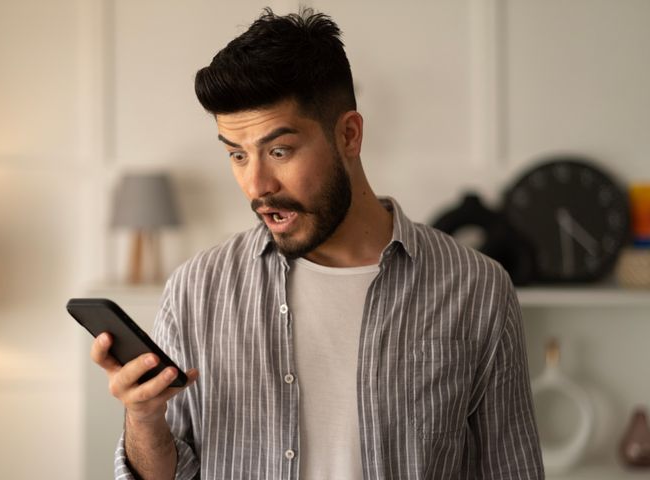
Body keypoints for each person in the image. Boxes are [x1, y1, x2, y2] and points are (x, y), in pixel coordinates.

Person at [92, 8, 545, 480]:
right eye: (237, 154)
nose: (256, 184)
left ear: (349, 135)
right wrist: (143, 419)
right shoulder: (195, 289)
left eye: (279, 151)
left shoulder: (476, 288)